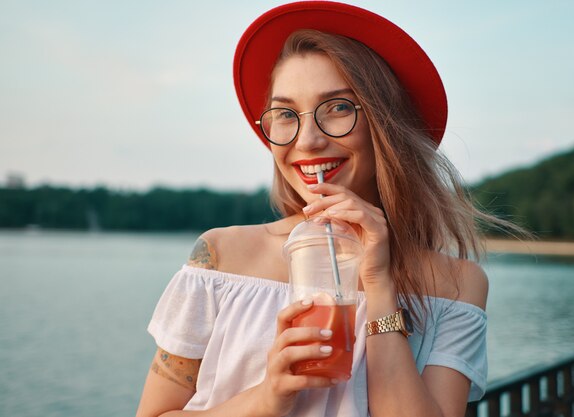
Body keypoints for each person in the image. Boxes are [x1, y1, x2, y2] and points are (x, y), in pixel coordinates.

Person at [136, 2, 492, 416]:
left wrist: (378, 287)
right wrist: (267, 397)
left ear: (386, 123)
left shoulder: (455, 285)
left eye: (338, 107)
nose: (306, 141)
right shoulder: (220, 258)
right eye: (286, 114)